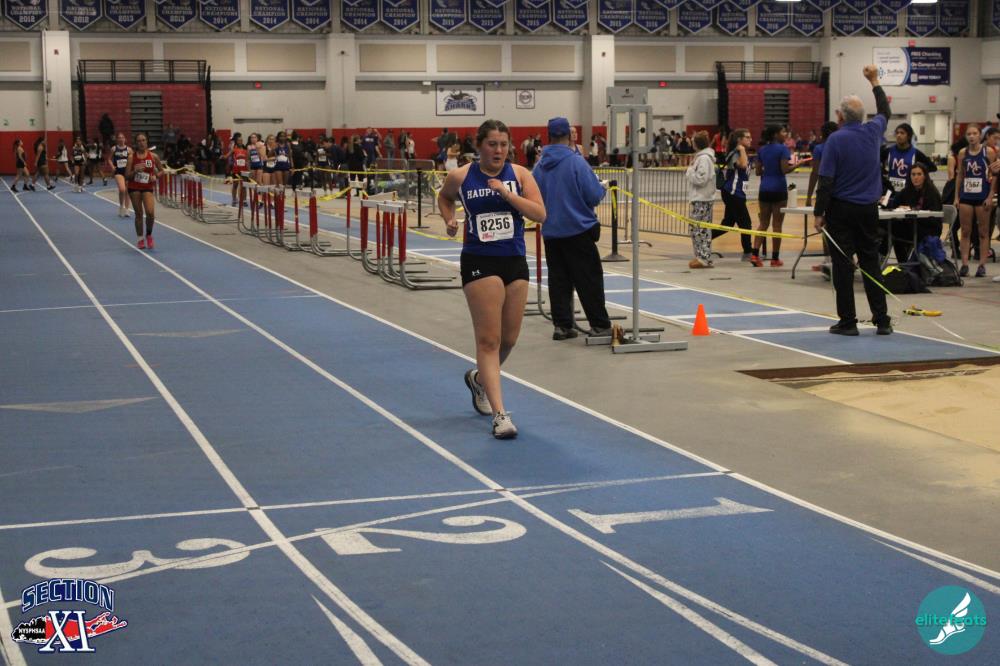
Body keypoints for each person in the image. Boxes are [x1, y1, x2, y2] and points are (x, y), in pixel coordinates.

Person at [437, 119, 546, 439]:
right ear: (479, 146)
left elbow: (540, 214)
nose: (498, 150)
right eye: (492, 144)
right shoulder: (462, 176)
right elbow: (445, 198)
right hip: (479, 260)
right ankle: (500, 415)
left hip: (514, 260)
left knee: (509, 339)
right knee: (489, 340)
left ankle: (479, 380)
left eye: (503, 144)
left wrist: (507, 195)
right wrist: (449, 219)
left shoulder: (520, 175)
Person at [813, 65, 893, 336]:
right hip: (868, 209)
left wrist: (819, 212)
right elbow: (885, 110)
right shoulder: (873, 131)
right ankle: (882, 320)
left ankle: (848, 321)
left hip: (842, 209)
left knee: (843, 265)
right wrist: (874, 81)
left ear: (840, 116)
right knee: (871, 262)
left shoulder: (835, 140)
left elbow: (826, 180)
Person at [532, 117, 611, 340]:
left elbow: (533, 195)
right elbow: (593, 195)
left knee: (559, 280)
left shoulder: (539, 166)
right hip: (578, 230)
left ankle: (562, 325)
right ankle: (599, 324)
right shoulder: (576, 162)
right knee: (588, 279)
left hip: (551, 231)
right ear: (568, 135)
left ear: (548, 136)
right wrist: (602, 189)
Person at [953, 124, 998, 277]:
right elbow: (960, 175)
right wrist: (956, 197)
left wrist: (990, 195)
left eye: (974, 133)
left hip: (982, 196)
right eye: (969, 134)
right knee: (965, 231)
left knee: (983, 232)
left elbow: (994, 174)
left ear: (980, 135)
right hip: (966, 196)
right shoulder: (962, 153)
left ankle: (982, 265)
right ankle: (965, 264)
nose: (971, 136)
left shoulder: (988, 152)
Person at [750, 126, 795, 267]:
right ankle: (775, 259)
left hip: (764, 189)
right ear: (776, 134)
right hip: (778, 189)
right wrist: (796, 165)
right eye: (783, 131)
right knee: (777, 225)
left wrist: (769, 170)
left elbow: (758, 172)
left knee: (763, 223)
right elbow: (784, 170)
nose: (785, 134)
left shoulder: (762, 150)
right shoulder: (783, 149)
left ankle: (755, 255)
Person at [885, 162, 943, 262]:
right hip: (912, 225)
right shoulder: (907, 190)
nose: (916, 177)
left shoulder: (931, 192)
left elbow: (934, 219)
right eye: (913, 174)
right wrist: (884, 201)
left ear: (925, 176)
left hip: (929, 229)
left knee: (893, 231)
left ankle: (901, 264)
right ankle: (902, 264)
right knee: (890, 228)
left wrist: (911, 209)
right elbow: (894, 203)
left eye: (919, 174)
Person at [715, 128, 754, 262]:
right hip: (733, 193)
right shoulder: (735, 153)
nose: (750, 139)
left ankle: (704, 238)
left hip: (737, 193)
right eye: (747, 137)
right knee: (746, 224)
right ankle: (748, 253)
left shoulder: (742, 153)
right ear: (739, 140)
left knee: (728, 224)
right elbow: (742, 166)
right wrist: (741, 150)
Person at [685, 131, 717, 268]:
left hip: (702, 199)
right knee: (697, 229)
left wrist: (689, 171)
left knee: (700, 230)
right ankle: (700, 256)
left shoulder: (704, 159)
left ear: (696, 144)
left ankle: (704, 258)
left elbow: (701, 179)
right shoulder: (701, 157)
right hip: (700, 198)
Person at [125, 133, 161, 250]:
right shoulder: (131, 157)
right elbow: (127, 176)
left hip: (147, 186)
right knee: (139, 214)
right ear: (136, 143)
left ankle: (149, 234)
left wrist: (156, 176)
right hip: (134, 187)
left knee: (150, 213)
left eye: (143, 140)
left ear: (147, 142)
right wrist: (135, 171)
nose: (141, 143)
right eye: (139, 141)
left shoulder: (153, 156)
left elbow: (162, 171)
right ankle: (140, 238)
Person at [881, 123, 937, 195]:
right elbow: (875, 164)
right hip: (890, 192)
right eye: (897, 133)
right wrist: (884, 173)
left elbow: (933, 167)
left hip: (909, 192)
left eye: (902, 133)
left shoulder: (916, 153)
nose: (898, 135)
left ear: (908, 136)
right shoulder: (888, 151)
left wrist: (918, 174)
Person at [108, 132, 132, 217]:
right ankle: (121, 206)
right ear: (117, 139)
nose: (121, 139)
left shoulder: (129, 150)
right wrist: (112, 166)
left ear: (125, 139)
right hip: (118, 171)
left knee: (127, 191)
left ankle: (127, 209)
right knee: (122, 189)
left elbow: (132, 160)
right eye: (119, 138)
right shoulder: (114, 149)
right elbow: (109, 159)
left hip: (127, 171)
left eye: (122, 138)